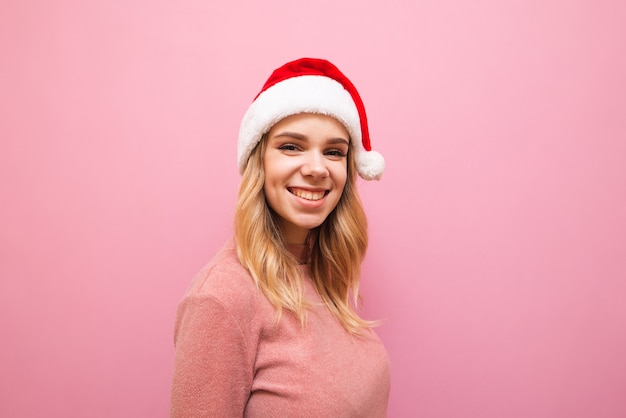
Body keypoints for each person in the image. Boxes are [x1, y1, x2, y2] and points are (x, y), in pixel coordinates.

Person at [170, 57, 390, 417]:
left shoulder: (319, 276)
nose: (317, 168)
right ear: (260, 160)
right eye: (291, 146)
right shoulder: (221, 298)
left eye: (334, 152)